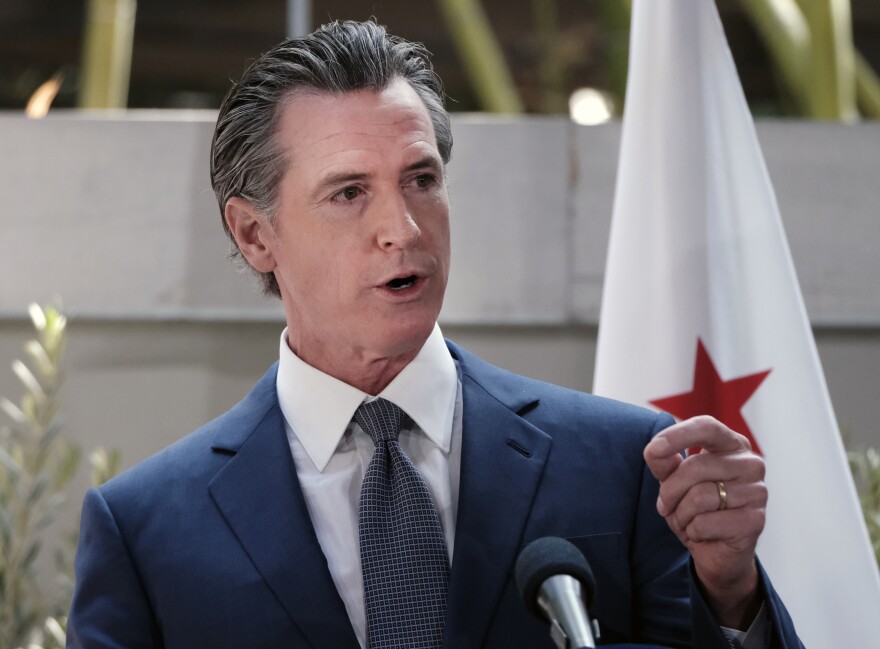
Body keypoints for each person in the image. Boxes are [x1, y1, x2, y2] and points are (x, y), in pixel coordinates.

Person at [68, 20, 802, 649]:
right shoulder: (146, 530)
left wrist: (732, 591)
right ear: (255, 234)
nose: (404, 228)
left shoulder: (624, 464)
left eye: (421, 178)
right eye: (350, 192)